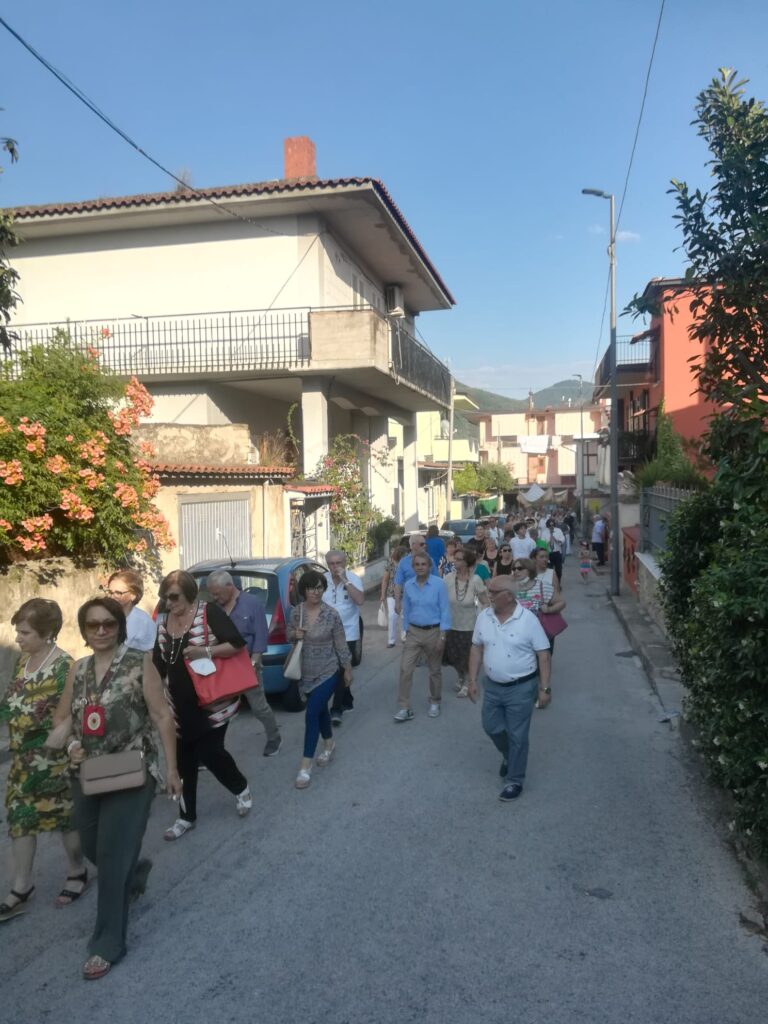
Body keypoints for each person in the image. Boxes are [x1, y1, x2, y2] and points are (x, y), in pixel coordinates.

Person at [52, 597, 181, 980]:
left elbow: (161, 715)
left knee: (109, 858)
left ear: (119, 627)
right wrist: (71, 745)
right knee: (92, 845)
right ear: (85, 631)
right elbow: (62, 719)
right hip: (88, 773)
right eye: (94, 625)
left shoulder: (139, 663)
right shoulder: (78, 669)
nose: (102, 630)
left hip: (132, 771)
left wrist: (172, 769)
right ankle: (135, 869)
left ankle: (107, 943)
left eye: (109, 623)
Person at [0, 600, 84, 923]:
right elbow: (11, 701)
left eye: (25, 632)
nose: (18, 638)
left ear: (47, 633)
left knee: (64, 819)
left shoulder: (65, 666)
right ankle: (22, 886)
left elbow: (76, 709)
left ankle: (77, 870)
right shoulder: (23, 661)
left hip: (53, 760)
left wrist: (60, 736)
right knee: (20, 818)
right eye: (17, 632)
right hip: (22, 759)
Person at [153, 571, 252, 842]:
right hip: (178, 705)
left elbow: (236, 644)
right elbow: (158, 664)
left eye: (174, 597)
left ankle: (240, 787)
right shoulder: (163, 623)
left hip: (211, 701)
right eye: (165, 597)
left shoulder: (208, 613)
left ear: (190, 594)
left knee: (210, 752)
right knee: (184, 761)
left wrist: (205, 651)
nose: (168, 602)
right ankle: (186, 816)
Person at [467, 577, 552, 802]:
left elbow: (543, 654)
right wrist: (472, 680)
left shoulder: (528, 620)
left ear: (509, 596)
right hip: (492, 686)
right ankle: (509, 756)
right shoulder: (484, 616)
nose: (489, 594)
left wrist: (544, 688)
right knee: (491, 726)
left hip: (521, 688)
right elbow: (476, 647)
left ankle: (515, 779)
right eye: (489, 590)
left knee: (518, 735)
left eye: (494, 592)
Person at [205, 569, 282, 757]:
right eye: (212, 594)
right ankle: (214, 749)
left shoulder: (251, 603)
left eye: (217, 593)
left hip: (248, 663)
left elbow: (261, 635)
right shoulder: (214, 608)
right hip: (223, 664)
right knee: (219, 709)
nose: (214, 597)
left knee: (258, 707)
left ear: (230, 587)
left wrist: (254, 662)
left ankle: (274, 737)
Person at [287, 570, 352, 790]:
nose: (316, 592)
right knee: (321, 709)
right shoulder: (297, 612)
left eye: (319, 587)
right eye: (311, 588)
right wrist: (294, 635)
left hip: (328, 670)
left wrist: (347, 669)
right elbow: (288, 633)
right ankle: (330, 744)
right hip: (305, 672)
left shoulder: (331, 614)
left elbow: (341, 644)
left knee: (312, 712)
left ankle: (305, 766)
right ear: (303, 590)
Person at [394, 553, 451, 722]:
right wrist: (405, 631)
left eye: (423, 564)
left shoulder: (439, 585)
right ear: (413, 567)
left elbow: (445, 610)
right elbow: (407, 608)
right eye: (417, 564)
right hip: (414, 632)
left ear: (429, 566)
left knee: (434, 670)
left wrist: (442, 636)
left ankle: (435, 701)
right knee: (405, 669)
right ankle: (404, 707)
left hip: (434, 632)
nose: (420, 567)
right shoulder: (409, 585)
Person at [323, 549, 364, 726]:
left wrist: (345, 580)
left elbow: (360, 600)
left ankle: (336, 709)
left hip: (348, 632)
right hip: (326, 632)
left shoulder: (353, 579)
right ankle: (347, 700)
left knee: (341, 669)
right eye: (331, 563)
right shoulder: (322, 580)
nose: (335, 567)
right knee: (335, 669)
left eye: (338, 563)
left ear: (345, 563)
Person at [443, 547, 489, 697]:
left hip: (469, 625)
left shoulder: (475, 580)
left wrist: (486, 618)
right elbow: (441, 600)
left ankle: (468, 682)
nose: (454, 561)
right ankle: (460, 676)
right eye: (454, 558)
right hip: (451, 624)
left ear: (467, 562)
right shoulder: (448, 578)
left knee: (467, 656)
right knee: (454, 656)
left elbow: (486, 601)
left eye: (458, 559)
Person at [106, 569, 156, 652]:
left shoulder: (143, 622)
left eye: (118, 593)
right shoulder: (106, 616)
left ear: (133, 595)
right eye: (110, 592)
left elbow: (150, 656)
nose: (112, 597)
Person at [380, 545, 408, 648]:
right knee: (392, 616)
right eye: (405, 554)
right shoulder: (390, 565)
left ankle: (404, 636)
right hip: (391, 593)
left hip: (405, 593)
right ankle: (391, 640)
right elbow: (385, 580)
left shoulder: (408, 565)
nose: (407, 555)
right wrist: (382, 594)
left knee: (404, 616)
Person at [539, 518, 566, 582]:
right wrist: (549, 540)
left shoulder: (558, 531)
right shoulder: (544, 532)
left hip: (557, 552)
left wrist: (555, 539)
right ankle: (551, 583)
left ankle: (558, 583)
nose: (551, 527)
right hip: (548, 553)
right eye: (550, 526)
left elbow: (562, 540)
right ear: (547, 526)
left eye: (553, 525)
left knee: (559, 570)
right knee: (549, 570)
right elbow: (543, 544)